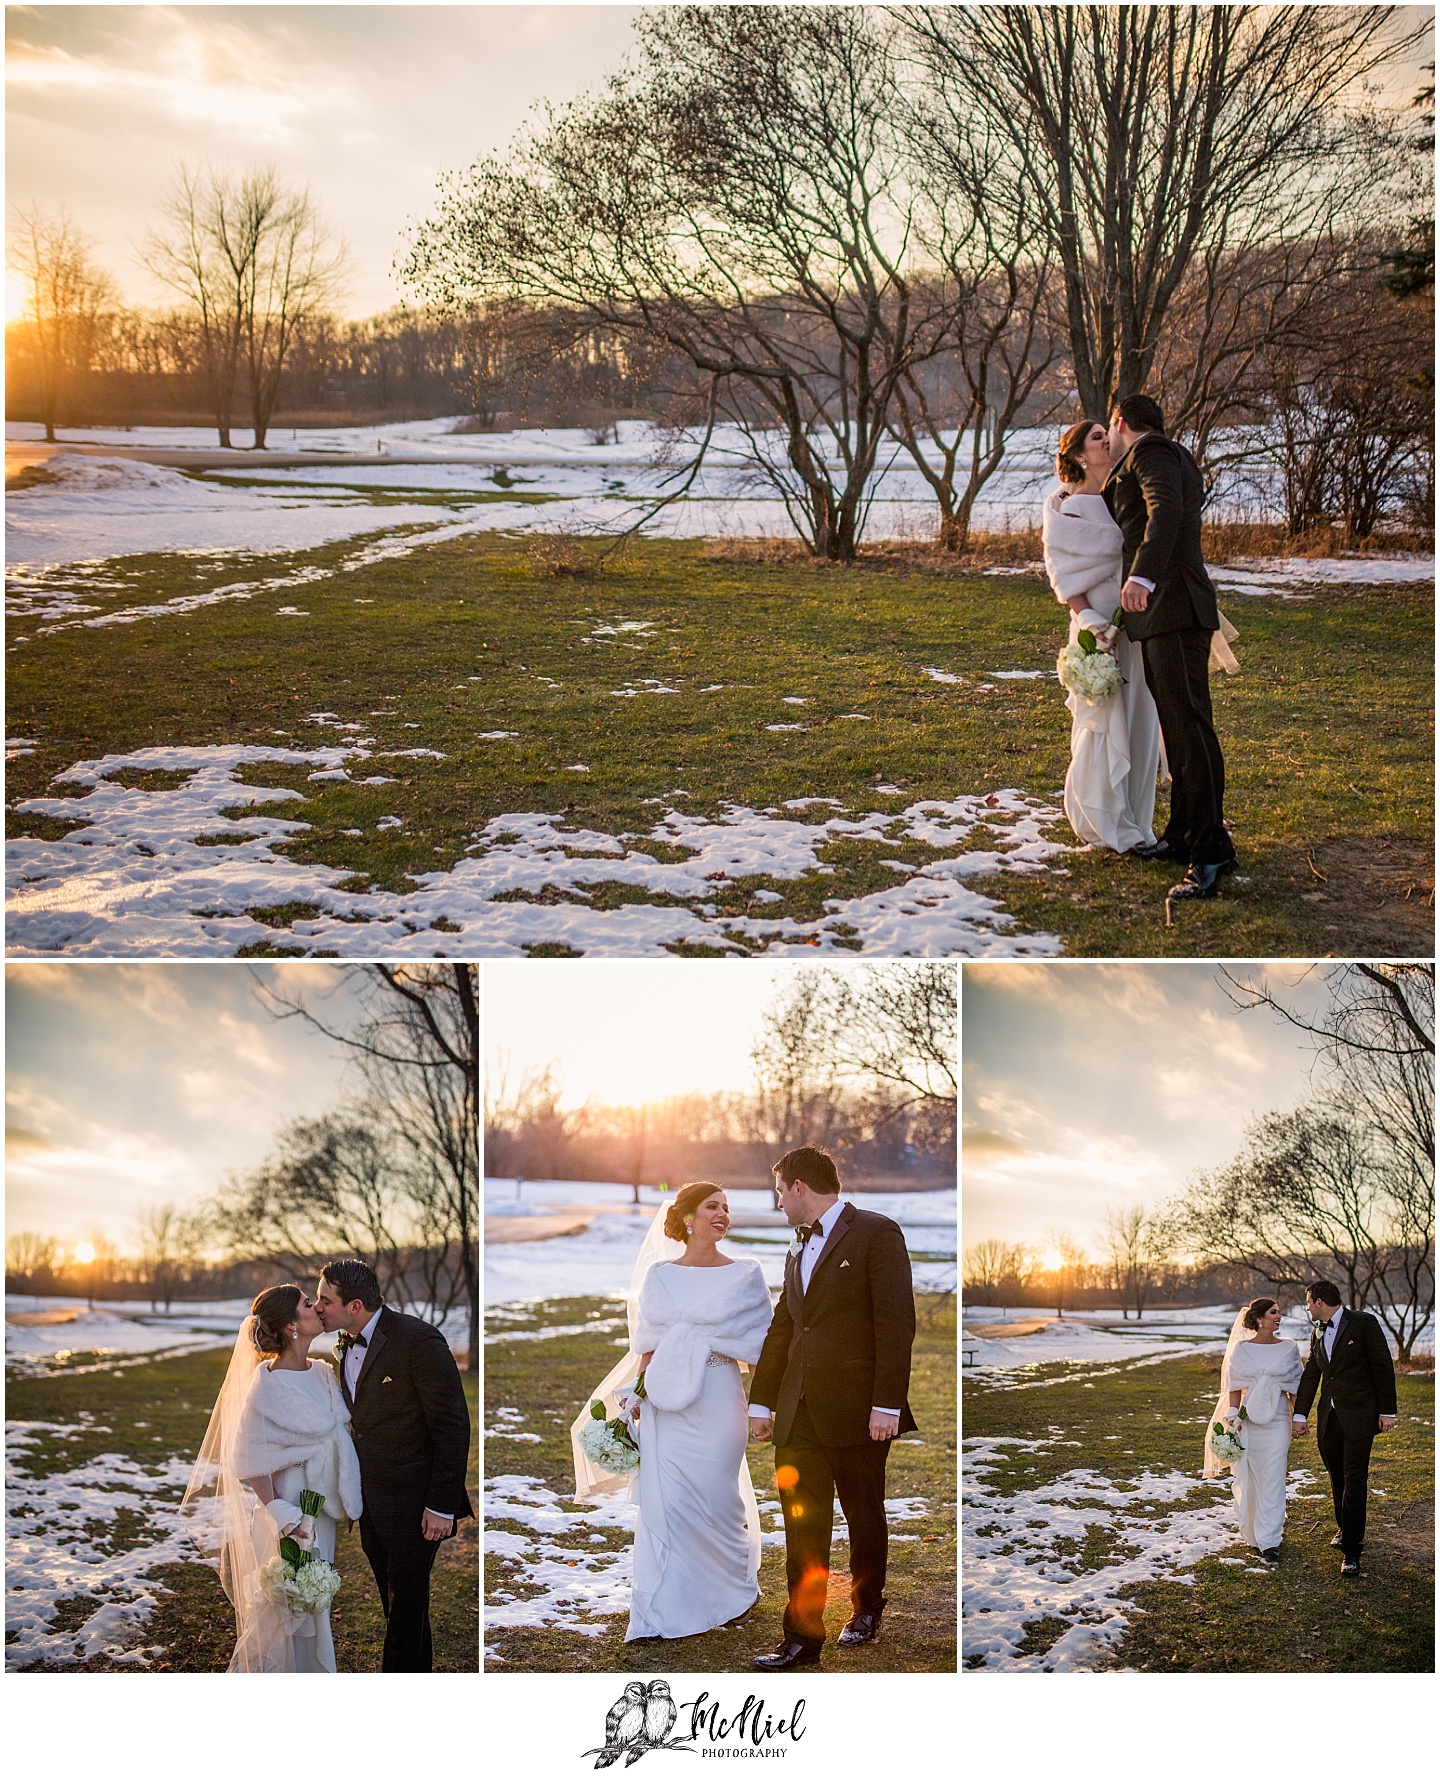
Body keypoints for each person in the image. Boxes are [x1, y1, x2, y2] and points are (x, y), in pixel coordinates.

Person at [576, 1181, 774, 1642]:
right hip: (667, 1404)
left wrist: (763, 1406)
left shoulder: (746, 1274)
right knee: (674, 1501)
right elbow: (648, 1347)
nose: (722, 1214)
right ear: (687, 1217)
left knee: (718, 1496)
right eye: (712, 1207)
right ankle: (674, 1600)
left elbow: (762, 1351)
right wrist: (639, 1396)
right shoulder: (661, 1276)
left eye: (726, 1207)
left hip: (720, 1399)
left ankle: (729, 1593)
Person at [748, 1147, 917, 1671]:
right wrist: (761, 1400)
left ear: (799, 1187)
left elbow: (896, 1323)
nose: (777, 1202)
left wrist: (886, 1403)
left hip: (859, 1413)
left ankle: (867, 1607)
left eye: (779, 1191)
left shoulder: (877, 1232)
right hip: (797, 1414)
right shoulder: (797, 1247)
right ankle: (801, 1640)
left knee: (864, 1515)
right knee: (802, 1526)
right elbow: (786, 1326)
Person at [182, 1283, 363, 1672]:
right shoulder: (265, 1386)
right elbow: (247, 1460)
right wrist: (282, 1513)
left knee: (315, 1602)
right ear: (290, 1326)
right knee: (286, 1610)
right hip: (287, 1511)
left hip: (323, 1510)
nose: (316, 1307)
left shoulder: (324, 1373)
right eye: (305, 1304)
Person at [1104, 392, 1238, 899]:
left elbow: (1166, 512)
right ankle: (1184, 836)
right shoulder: (1174, 452)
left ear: (1121, 422)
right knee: (1183, 728)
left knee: (1188, 730)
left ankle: (1210, 850)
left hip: (1174, 609)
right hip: (1176, 612)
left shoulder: (1151, 452)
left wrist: (1142, 576)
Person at [315, 1258, 474, 1670]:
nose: (317, 1307)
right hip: (372, 1506)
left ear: (354, 1306)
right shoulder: (345, 1345)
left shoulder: (418, 1340)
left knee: (405, 1612)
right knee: (400, 1610)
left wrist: (440, 1505)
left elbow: (452, 1425)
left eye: (324, 1300)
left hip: (417, 1506)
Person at [1041, 417, 1162, 852]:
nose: (1106, 442)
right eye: (1097, 438)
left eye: (1107, 436)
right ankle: (1103, 821)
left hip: (1135, 628)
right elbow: (1064, 574)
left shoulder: (1122, 496)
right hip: (1097, 633)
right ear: (1078, 455)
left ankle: (1137, 821)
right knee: (1102, 727)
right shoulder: (1068, 507)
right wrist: (1090, 619)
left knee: (1140, 723)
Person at [1292, 1279, 1398, 1576]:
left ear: (1319, 1302)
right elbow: (1312, 1375)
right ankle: (1344, 1528)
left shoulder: (1364, 1323)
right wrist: (1300, 1415)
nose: (1307, 1307)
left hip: (1360, 1417)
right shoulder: (1317, 1332)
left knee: (1355, 1479)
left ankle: (1352, 1551)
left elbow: (1382, 1367)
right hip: (1330, 1418)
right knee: (1336, 1475)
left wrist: (1387, 1410)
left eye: (1308, 1302)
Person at [1203, 1297, 1303, 1562]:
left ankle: (1271, 1539)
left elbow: (1295, 1387)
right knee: (1253, 1476)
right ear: (1259, 1319)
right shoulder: (1241, 1350)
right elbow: (1234, 1387)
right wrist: (1233, 1415)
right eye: (1273, 1312)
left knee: (1274, 1476)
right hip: (1249, 1420)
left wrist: (1299, 1418)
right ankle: (1253, 1529)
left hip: (1278, 1419)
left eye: (1279, 1312)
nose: (1279, 1316)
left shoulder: (1290, 1348)